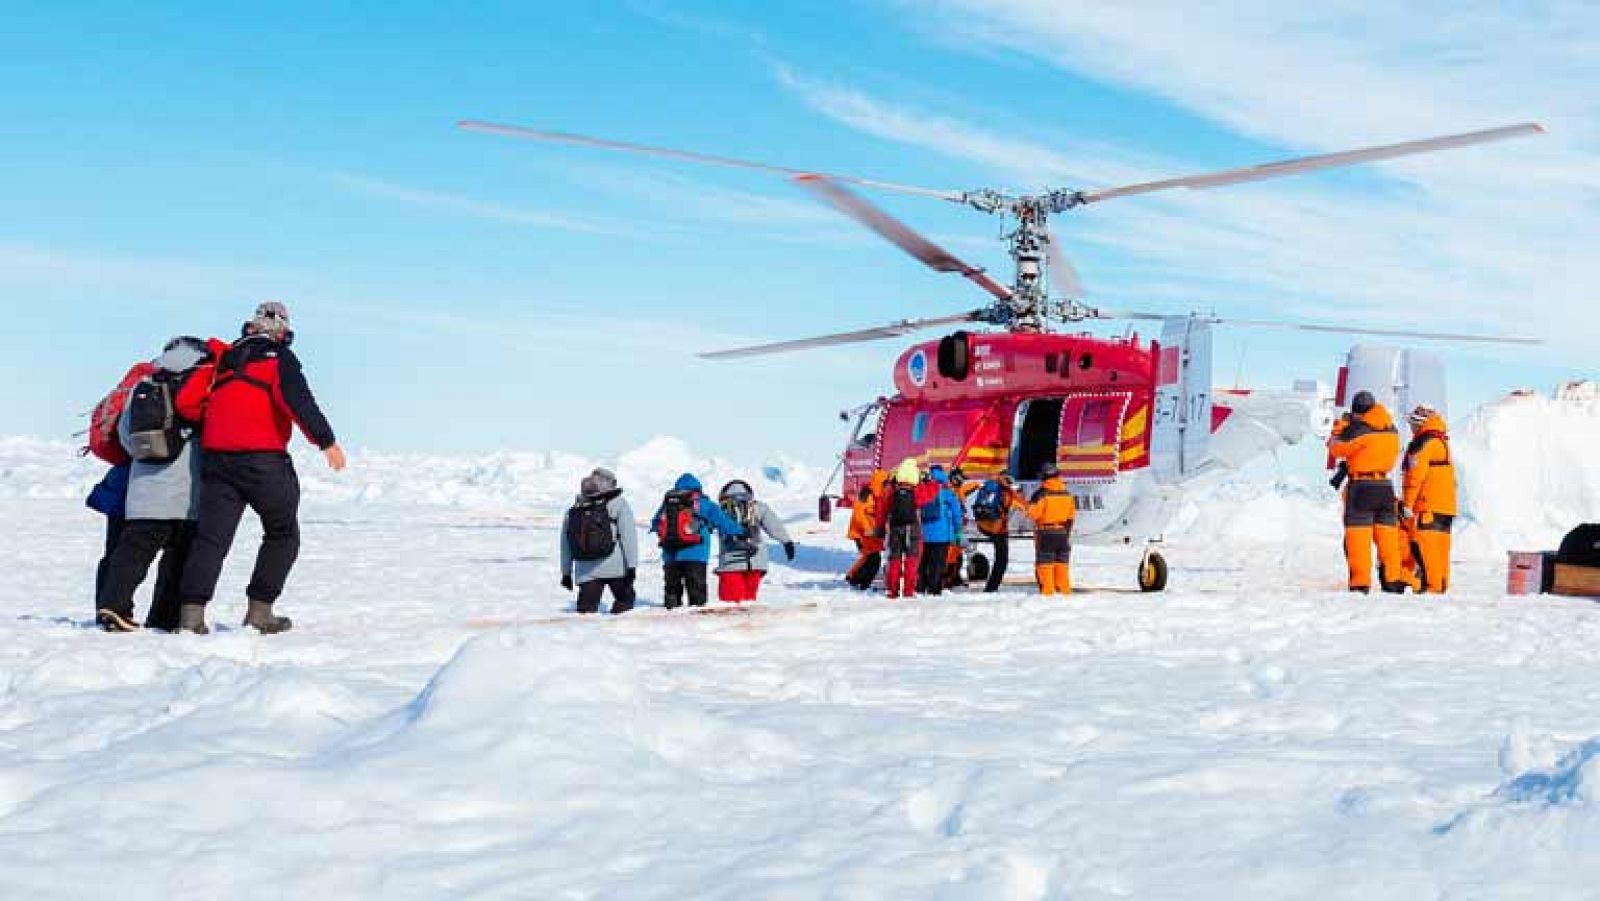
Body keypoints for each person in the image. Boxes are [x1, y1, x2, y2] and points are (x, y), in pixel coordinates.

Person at [174, 302, 346, 634]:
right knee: (283, 534)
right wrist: (326, 442)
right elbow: (299, 402)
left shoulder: (223, 359)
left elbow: (188, 403)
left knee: (211, 539)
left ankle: (191, 618)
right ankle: (260, 612)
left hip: (217, 461)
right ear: (282, 331)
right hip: (263, 462)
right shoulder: (278, 359)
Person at [96, 337, 213, 632]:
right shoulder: (200, 388)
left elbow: (125, 436)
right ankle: (165, 617)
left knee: (132, 554)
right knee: (178, 560)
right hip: (185, 495)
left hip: (143, 494)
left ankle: (114, 605)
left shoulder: (143, 386)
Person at [1326, 390, 1407, 594]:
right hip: (1385, 488)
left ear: (1357, 411)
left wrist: (1340, 428)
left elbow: (1336, 448)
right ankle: (1392, 579)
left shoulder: (1358, 429)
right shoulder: (1392, 429)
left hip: (1361, 488)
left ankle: (1361, 583)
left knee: (1358, 538)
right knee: (1387, 537)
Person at [650, 472, 743, 608]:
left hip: (671, 554)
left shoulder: (668, 503)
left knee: (672, 589)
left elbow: (656, 523)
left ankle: (670, 616)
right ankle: (697, 622)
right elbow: (723, 521)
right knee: (696, 590)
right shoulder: (703, 503)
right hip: (696, 553)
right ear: (698, 488)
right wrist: (740, 531)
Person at [561, 468, 640, 614]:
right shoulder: (619, 503)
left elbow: (565, 544)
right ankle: (618, 633)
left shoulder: (575, 508)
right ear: (610, 483)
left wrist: (566, 573)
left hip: (585, 571)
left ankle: (590, 636)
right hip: (616, 569)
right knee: (625, 603)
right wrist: (632, 566)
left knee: (585, 615)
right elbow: (628, 537)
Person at [1400, 404, 1457, 594]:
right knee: (1441, 552)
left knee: (1425, 550)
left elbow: (1414, 476)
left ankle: (1431, 590)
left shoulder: (1423, 443)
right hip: (1446, 507)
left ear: (1419, 424)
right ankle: (1440, 588)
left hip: (1427, 505)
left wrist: (1407, 504)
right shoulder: (1442, 443)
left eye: (1412, 424)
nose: (1411, 428)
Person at [714, 479, 794, 603]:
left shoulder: (718, 510)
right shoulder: (758, 507)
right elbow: (774, 526)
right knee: (749, 603)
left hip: (731, 562)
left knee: (731, 606)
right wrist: (787, 541)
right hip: (756, 561)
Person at [876, 458, 927, 599]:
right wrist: (927, 482)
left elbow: (882, 509)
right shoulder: (917, 490)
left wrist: (879, 527)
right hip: (913, 528)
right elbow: (929, 495)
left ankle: (892, 591)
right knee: (912, 560)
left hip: (895, 528)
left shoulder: (891, 490)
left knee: (894, 560)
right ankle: (908, 591)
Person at [86, 464, 130, 619]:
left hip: (120, 486)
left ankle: (106, 608)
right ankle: (111, 609)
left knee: (115, 553)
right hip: (133, 487)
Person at [1027, 463, 1077, 596]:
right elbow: (1071, 517)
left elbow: (1033, 514)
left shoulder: (1041, 494)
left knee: (1045, 566)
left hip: (1046, 534)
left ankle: (1048, 595)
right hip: (1062, 534)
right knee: (1062, 565)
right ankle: (1065, 594)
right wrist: (1065, 533)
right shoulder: (1068, 494)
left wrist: (1029, 505)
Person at [967, 473, 1022, 593]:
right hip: (997, 527)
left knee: (1000, 557)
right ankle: (992, 587)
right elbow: (1022, 506)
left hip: (983, 525)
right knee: (1002, 560)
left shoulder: (988, 486)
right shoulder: (1006, 492)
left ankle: (992, 587)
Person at [915, 464, 965, 596]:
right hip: (941, 535)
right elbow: (956, 513)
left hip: (925, 533)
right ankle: (934, 589)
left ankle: (920, 587)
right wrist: (958, 530)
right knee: (937, 563)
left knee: (924, 561)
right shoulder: (947, 493)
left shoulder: (923, 490)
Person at [845, 470, 889, 590]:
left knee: (869, 558)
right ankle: (862, 583)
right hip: (861, 534)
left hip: (870, 536)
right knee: (873, 559)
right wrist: (867, 529)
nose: (886, 486)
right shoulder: (865, 496)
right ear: (879, 483)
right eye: (884, 483)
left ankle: (854, 579)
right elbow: (858, 515)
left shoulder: (877, 497)